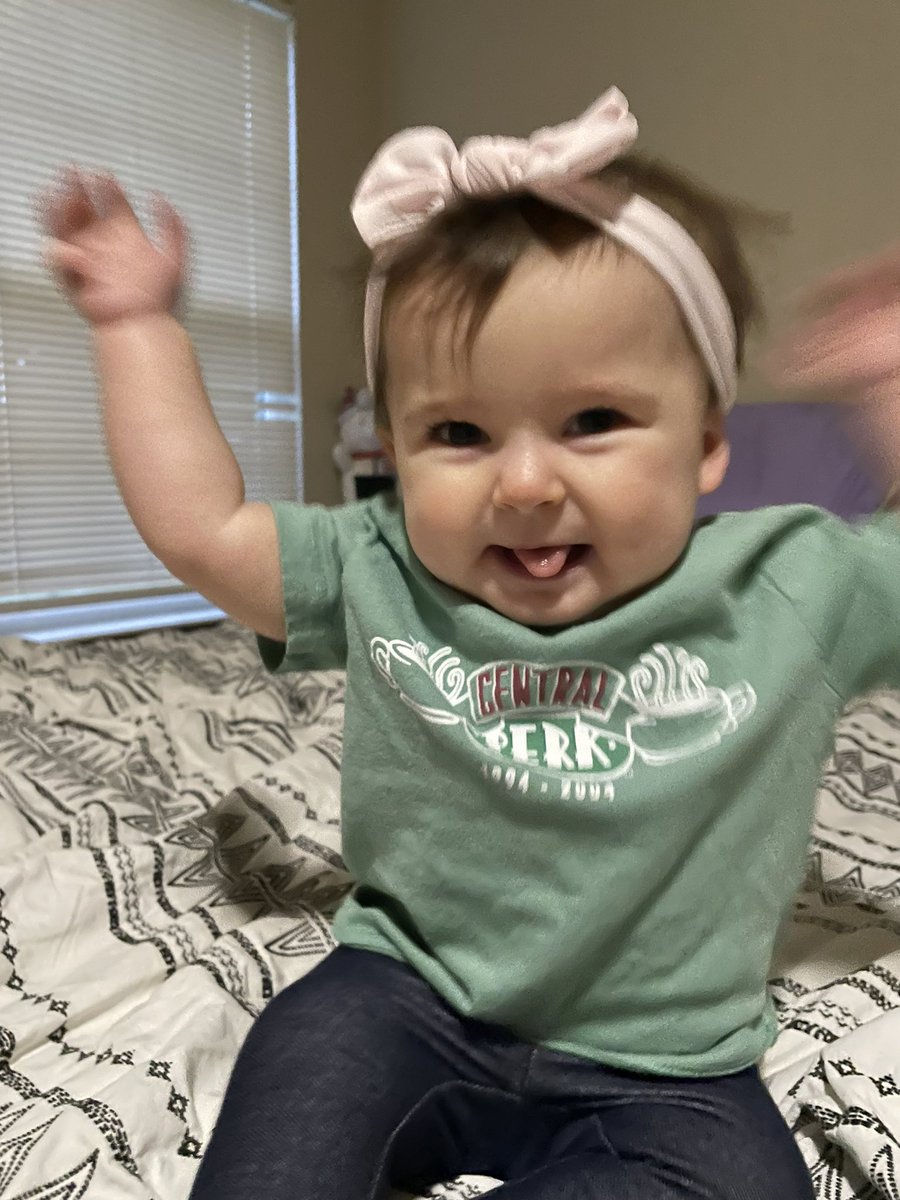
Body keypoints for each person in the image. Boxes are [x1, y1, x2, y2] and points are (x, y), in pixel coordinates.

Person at [41, 88, 900, 1199]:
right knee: (293, 1104)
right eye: (458, 431)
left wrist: (886, 385)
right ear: (395, 449)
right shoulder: (378, 562)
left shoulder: (791, 583)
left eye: (594, 421)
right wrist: (135, 327)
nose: (526, 483)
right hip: (405, 1001)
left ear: (704, 443)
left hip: (670, 1064)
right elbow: (206, 533)